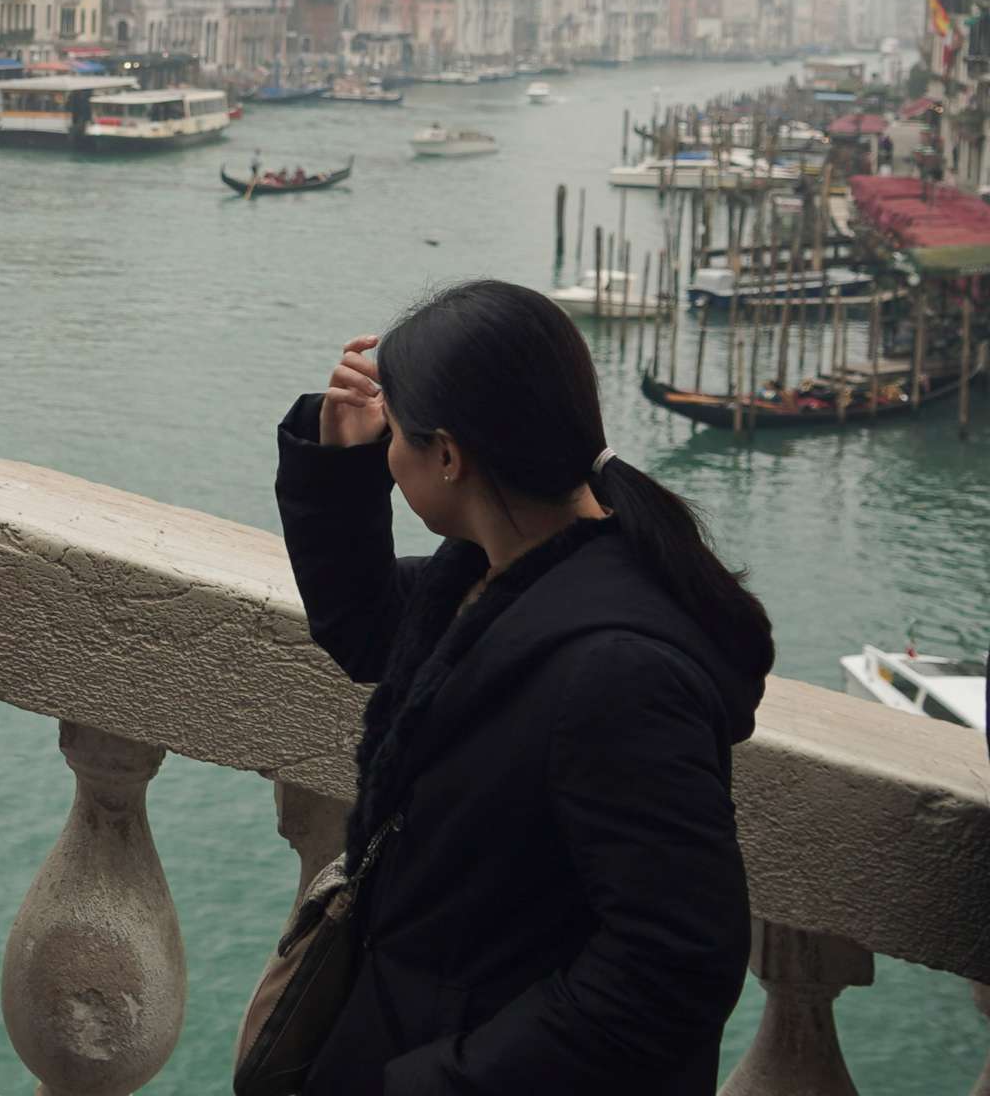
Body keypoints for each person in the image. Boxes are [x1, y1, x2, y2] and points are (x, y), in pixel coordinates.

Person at [276, 281, 772, 1094]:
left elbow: (675, 964)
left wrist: (437, 1081)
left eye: (395, 439)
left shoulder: (620, 671)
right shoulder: (485, 574)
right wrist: (340, 467)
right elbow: (367, 628)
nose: (391, 461)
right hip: (416, 1028)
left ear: (448, 456)